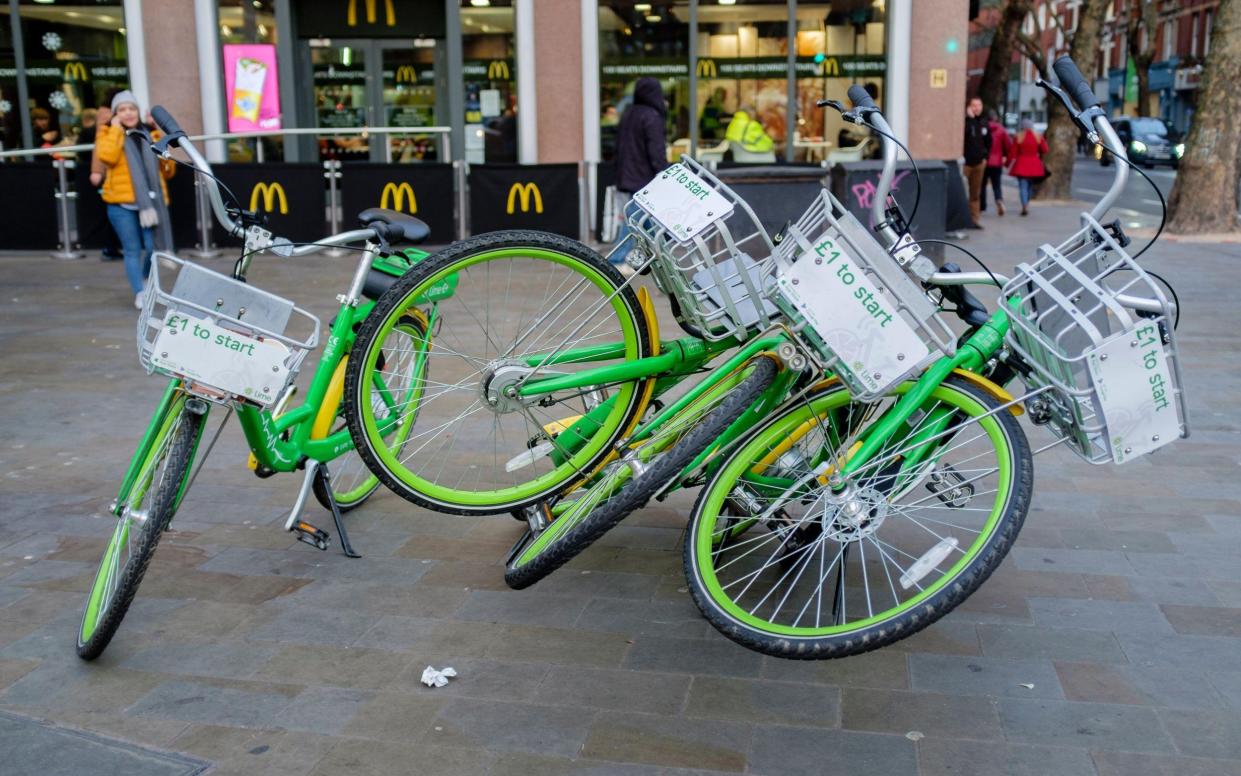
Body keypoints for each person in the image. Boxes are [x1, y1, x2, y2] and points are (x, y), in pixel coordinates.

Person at [95, 90, 175, 308]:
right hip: (121, 204)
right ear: (115, 114)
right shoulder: (107, 133)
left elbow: (168, 172)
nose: (128, 113)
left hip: (149, 203)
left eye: (131, 108)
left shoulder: (149, 134)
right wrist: (116, 131)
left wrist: (159, 138)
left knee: (151, 248)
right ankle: (139, 292)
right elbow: (108, 158)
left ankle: (146, 278)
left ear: (138, 111)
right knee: (132, 250)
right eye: (122, 110)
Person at [613, 77, 668, 268]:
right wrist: (663, 172)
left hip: (627, 173)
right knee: (636, 220)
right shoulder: (651, 116)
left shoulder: (629, 113)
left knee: (641, 219)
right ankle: (617, 259)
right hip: (643, 176)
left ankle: (660, 257)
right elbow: (656, 151)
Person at [1008, 118, 1048, 217]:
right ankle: (1027, 202)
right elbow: (1045, 149)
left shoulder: (1019, 137)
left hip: (1021, 164)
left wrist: (1007, 163)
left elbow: (1012, 153)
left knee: (1023, 186)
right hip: (1034, 164)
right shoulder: (1038, 137)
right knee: (1030, 186)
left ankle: (1024, 204)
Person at [962, 96, 989, 228]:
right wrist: (970, 119)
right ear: (969, 107)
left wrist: (985, 156)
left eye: (979, 105)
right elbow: (965, 134)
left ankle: (975, 219)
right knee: (963, 191)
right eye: (974, 105)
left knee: (975, 193)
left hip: (979, 162)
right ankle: (962, 218)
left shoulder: (983, 121)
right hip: (966, 162)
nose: (977, 108)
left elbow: (988, 140)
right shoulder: (966, 121)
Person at [981, 109, 1012, 217]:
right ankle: (999, 200)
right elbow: (1008, 145)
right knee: (997, 185)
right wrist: (1005, 157)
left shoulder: (983, 128)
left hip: (984, 161)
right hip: (997, 161)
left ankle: (982, 206)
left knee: (982, 185)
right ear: (996, 118)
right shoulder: (1001, 129)